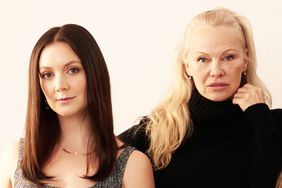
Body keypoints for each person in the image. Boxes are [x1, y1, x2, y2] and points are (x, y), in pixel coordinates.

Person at [119, 8, 282, 188]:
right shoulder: (157, 132)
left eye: (229, 57)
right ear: (187, 65)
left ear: (245, 59)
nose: (216, 71)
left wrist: (261, 120)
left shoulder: (271, 125)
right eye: (203, 59)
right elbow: (91, 162)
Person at [0, 24, 154, 188]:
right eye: (47, 74)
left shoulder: (132, 166)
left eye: (72, 70)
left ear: (94, 74)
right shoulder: (16, 158)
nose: (60, 85)